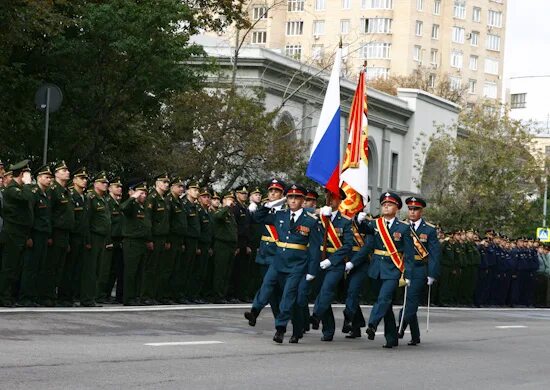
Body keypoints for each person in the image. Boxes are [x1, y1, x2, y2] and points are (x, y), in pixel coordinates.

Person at [244, 184, 322, 343]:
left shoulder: (310, 220)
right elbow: (257, 218)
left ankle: (280, 328)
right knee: (267, 285)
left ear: (302, 200)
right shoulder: (281, 215)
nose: (293, 201)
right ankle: (254, 311)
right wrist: (270, 204)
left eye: (297, 198)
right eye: (290, 197)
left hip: (297, 264)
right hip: (278, 260)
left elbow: (314, 248)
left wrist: (312, 271)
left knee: (288, 295)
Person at [347, 192, 415, 348]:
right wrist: (359, 220)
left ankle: (372, 324)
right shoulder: (375, 224)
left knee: (383, 299)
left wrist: (408, 274)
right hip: (376, 269)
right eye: (384, 204)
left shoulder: (403, 228)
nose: (386, 206)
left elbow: (409, 255)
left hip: (393, 269)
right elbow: (365, 230)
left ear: (397, 208)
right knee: (386, 304)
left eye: (389, 204)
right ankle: (391, 338)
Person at [309, 191, 354, 341]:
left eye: (335, 198)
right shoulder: (319, 216)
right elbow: (301, 212)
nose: (332, 200)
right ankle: (328, 330)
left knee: (327, 290)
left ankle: (316, 316)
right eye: (330, 197)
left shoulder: (345, 221)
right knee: (321, 293)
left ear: (340, 201)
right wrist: (318, 211)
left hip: (335, 262)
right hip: (319, 259)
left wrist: (332, 260)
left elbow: (348, 245)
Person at [397, 196, 441, 346]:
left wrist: (432, 274)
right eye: (410, 209)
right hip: (403, 268)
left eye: (415, 209)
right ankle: (415, 336)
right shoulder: (402, 226)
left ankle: (400, 327)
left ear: (421, 211)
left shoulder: (429, 229)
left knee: (411, 300)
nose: (412, 212)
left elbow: (434, 254)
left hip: (419, 269)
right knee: (410, 300)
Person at [246, 179, 286, 321]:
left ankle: (257, 312)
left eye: (276, 191)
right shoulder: (266, 208)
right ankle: (278, 319)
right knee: (270, 289)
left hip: (278, 254)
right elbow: (257, 218)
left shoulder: (286, 209)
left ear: (282, 194)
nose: (273, 193)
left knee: (278, 288)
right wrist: (267, 206)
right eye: (270, 191)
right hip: (264, 254)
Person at [0, 160, 33, 307]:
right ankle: (4, 297)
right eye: (27, 174)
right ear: (21, 174)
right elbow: (27, 197)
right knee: (9, 268)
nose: (29, 177)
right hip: (12, 234)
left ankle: (10, 296)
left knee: (16, 268)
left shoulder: (19, 188)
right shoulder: (12, 189)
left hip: (20, 234)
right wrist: (26, 184)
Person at [19, 164, 53, 307]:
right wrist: (28, 236)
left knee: (40, 267)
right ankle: (25, 297)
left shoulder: (47, 194)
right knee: (30, 267)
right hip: (35, 234)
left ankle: (34, 296)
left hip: (44, 234)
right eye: (46, 177)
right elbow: (29, 215)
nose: (49, 180)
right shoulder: (34, 192)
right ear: (38, 178)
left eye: (50, 177)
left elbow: (47, 217)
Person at [81, 171, 111, 307]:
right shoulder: (91, 197)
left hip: (102, 237)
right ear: (95, 184)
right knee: (90, 270)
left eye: (106, 183)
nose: (105, 185)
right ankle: (87, 298)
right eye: (102, 182)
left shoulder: (103, 198)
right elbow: (86, 220)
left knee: (98, 269)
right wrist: (87, 240)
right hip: (93, 237)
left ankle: (92, 297)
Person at [141, 173, 170, 305]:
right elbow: (148, 219)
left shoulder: (164, 199)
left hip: (163, 237)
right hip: (155, 237)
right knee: (150, 268)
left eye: (167, 182)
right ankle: (146, 295)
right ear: (157, 183)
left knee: (160, 268)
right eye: (163, 182)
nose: (166, 184)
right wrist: (149, 239)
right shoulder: (152, 198)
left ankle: (156, 295)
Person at [120, 180, 150, 305]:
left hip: (142, 243)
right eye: (141, 193)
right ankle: (128, 298)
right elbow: (123, 207)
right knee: (130, 272)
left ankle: (137, 296)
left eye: (145, 194)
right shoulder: (131, 205)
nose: (143, 196)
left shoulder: (143, 207)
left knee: (140, 272)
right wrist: (133, 197)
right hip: (131, 242)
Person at [211, 192, 238, 302]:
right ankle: (217, 295)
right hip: (222, 244)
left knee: (227, 272)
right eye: (228, 199)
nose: (231, 201)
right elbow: (217, 216)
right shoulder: (220, 211)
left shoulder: (230, 214)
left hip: (230, 245)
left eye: (232, 199)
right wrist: (226, 206)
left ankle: (223, 294)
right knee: (220, 271)